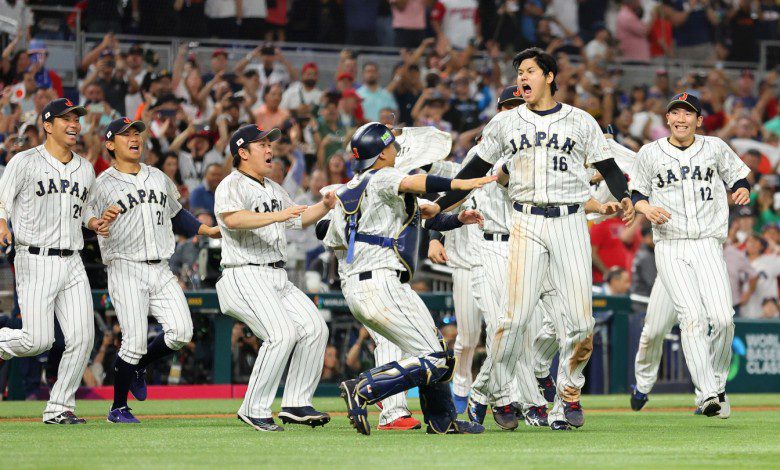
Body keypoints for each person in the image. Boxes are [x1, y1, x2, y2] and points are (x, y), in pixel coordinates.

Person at [435, 48, 634, 430]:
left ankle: (568, 396)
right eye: (519, 71)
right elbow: (473, 169)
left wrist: (623, 195)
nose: (522, 77)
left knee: (580, 323)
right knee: (513, 321)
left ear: (549, 76)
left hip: (570, 222)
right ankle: (480, 398)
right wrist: (442, 206)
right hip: (524, 222)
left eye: (529, 71)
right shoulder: (505, 124)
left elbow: (608, 166)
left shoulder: (580, 121)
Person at [327, 122, 493, 435]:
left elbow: (334, 237)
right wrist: (462, 182)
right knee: (434, 358)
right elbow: (422, 182)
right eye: (390, 145)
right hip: (381, 283)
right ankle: (364, 387)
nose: (395, 149)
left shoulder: (349, 190)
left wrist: (457, 218)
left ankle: (442, 421)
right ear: (379, 154)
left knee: (437, 352)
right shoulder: (383, 175)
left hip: (362, 283)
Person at [91, 117, 221, 423]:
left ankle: (139, 365)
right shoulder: (100, 185)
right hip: (124, 265)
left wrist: (206, 230)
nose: (134, 138)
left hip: (160, 267)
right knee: (133, 341)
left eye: (137, 133)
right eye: (125, 135)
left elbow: (178, 216)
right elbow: (84, 222)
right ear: (110, 144)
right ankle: (118, 408)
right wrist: (96, 225)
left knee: (181, 332)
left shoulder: (158, 177)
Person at [631, 91, 751, 417]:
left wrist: (743, 188)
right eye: (675, 113)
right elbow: (637, 191)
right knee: (692, 319)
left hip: (709, 244)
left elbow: (739, 176)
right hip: (670, 245)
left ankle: (717, 382)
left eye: (688, 114)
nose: (681, 118)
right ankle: (707, 394)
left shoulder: (714, 147)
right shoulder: (650, 152)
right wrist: (645, 207)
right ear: (667, 118)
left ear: (699, 120)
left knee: (724, 319)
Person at [214, 124, 334, 432]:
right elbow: (233, 219)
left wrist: (324, 205)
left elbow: (299, 219)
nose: (270, 149)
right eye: (262, 145)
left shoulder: (273, 188)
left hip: (275, 275)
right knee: (281, 334)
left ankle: (295, 403)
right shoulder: (231, 184)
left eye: (270, 144)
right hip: (244, 272)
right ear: (242, 152)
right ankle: (253, 407)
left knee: (314, 328)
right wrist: (277, 216)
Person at [0, 98, 111, 424]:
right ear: (48, 125)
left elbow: (86, 210)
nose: (74, 123)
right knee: (38, 340)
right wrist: (3, 223)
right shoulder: (25, 161)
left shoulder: (85, 168)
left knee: (82, 338)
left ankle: (59, 407)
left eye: (76, 117)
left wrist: (94, 223)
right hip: (35, 257)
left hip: (73, 259)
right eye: (65, 118)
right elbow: (2, 201)